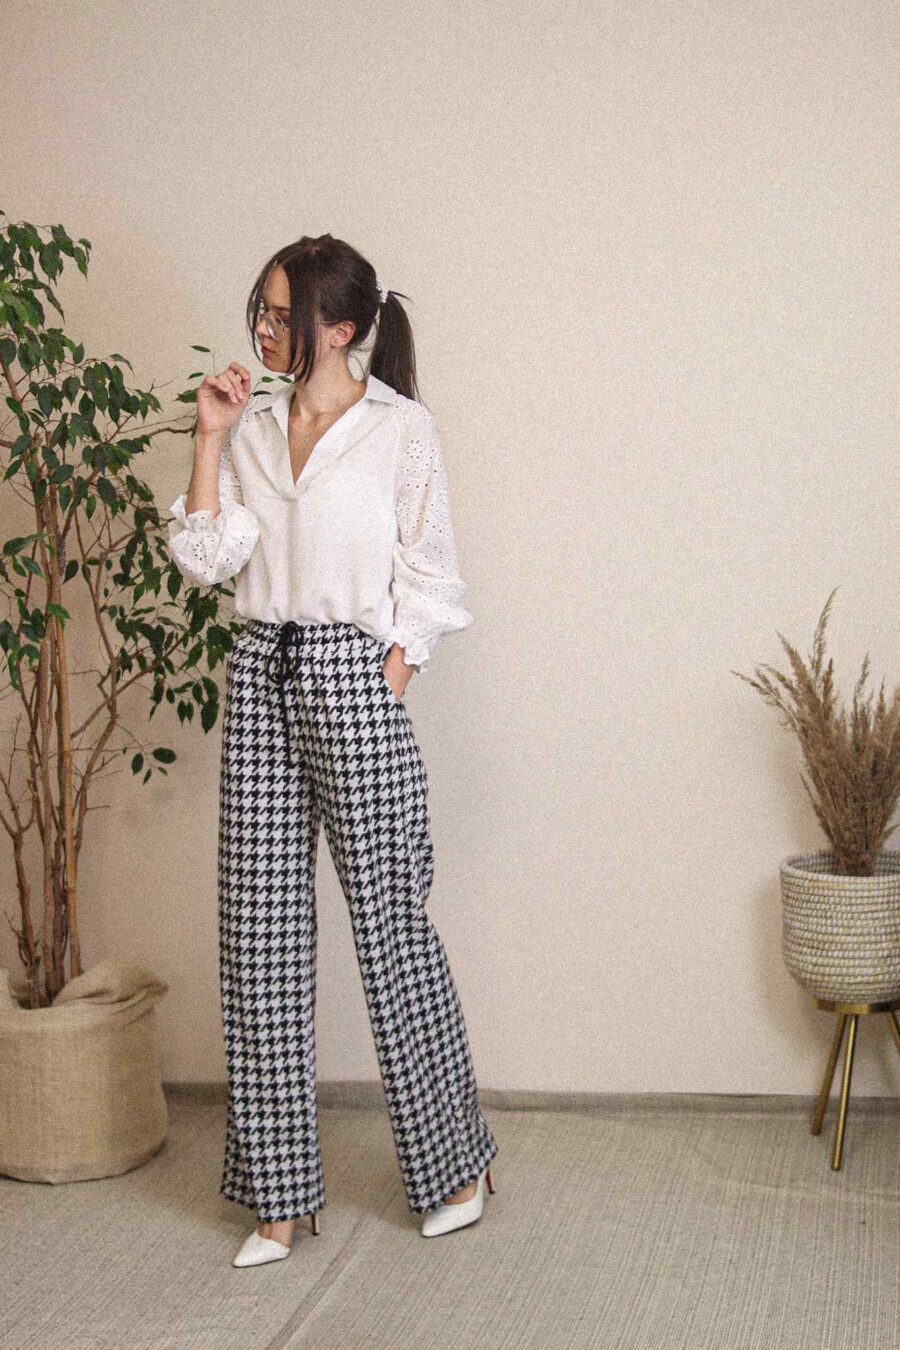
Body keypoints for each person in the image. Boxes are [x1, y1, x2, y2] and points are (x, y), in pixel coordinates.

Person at [166, 234, 498, 1268]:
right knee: (258, 934)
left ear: (342, 328)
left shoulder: (401, 431)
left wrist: (386, 676)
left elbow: (431, 574)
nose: (266, 330)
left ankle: (456, 1164)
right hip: (260, 672)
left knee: (390, 923)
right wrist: (211, 438)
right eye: (261, 312)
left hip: (352, 673)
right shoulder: (256, 427)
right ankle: (279, 1200)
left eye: (284, 315)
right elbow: (208, 558)